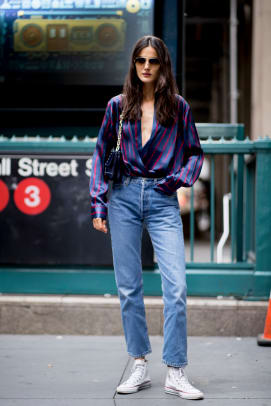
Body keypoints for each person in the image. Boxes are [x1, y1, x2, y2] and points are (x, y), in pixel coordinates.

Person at [89, 35, 204, 400]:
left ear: (162, 65)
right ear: (134, 64)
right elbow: (100, 154)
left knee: (177, 288)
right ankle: (139, 364)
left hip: (162, 197)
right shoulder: (117, 106)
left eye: (153, 61)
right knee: (128, 287)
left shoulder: (178, 107)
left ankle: (175, 370)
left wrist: (177, 182)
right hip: (122, 196)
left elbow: (193, 154)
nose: (146, 67)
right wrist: (98, 205)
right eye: (140, 60)